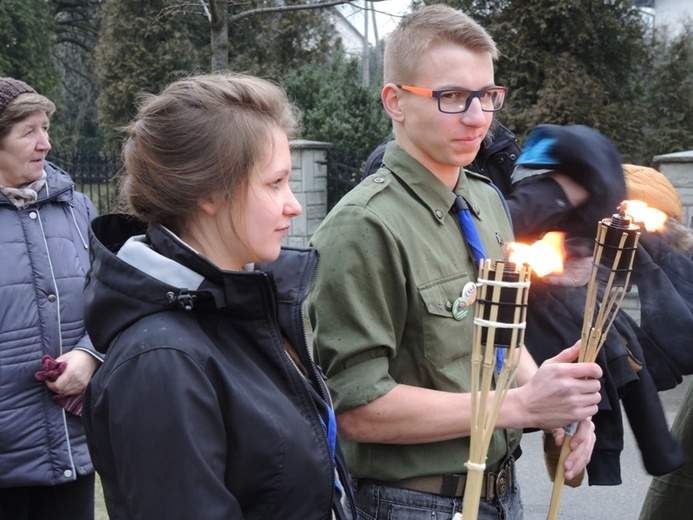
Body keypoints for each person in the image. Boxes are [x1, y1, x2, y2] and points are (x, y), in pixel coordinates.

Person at [308, 5, 602, 519]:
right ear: (395, 101)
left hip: (502, 492)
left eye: (487, 96)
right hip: (412, 502)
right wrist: (519, 407)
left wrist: (552, 403)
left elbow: (502, 337)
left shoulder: (487, 200)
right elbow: (355, 409)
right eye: (451, 97)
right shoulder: (363, 225)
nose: (478, 118)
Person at [81, 73, 357, 520]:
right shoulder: (162, 359)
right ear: (210, 192)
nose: (294, 204)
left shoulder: (244, 308)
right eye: (275, 183)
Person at [0, 77, 99, 519]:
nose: (46, 143)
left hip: (71, 444)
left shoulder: (78, 209)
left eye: (46, 128)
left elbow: (114, 299)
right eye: (29, 131)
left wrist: (90, 355)